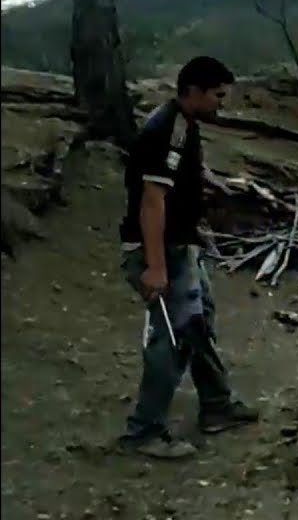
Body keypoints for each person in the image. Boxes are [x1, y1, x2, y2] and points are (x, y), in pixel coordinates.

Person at [118, 56, 259, 459]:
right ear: (194, 91)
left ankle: (217, 406)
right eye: (216, 95)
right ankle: (143, 432)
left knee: (199, 323)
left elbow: (183, 176)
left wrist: (217, 184)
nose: (221, 103)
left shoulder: (184, 124)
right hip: (160, 252)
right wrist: (156, 266)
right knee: (174, 338)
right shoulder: (166, 130)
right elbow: (151, 201)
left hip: (184, 245)